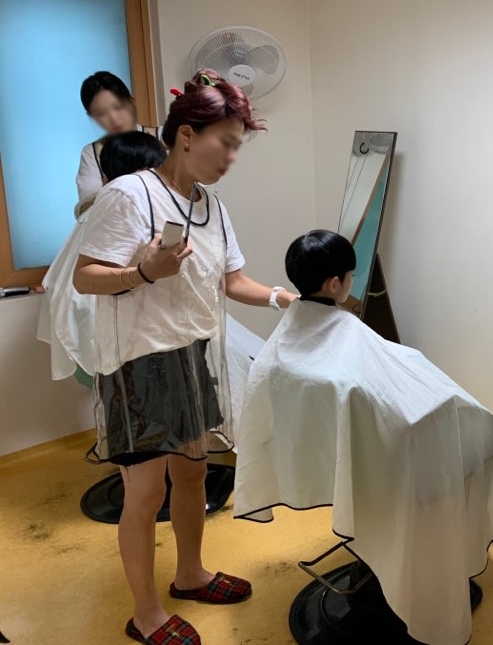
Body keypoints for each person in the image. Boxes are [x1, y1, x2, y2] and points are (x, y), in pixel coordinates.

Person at [74, 70, 296, 644]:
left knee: (193, 474)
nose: (232, 157)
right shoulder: (130, 194)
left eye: (238, 146)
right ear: (188, 135)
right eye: (226, 143)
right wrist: (143, 271)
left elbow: (233, 280)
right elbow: (86, 276)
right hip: (139, 363)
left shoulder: (211, 205)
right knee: (146, 494)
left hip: (194, 354)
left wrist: (284, 299)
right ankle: (144, 613)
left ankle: (191, 574)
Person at [234, 231, 493, 645]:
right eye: (350, 276)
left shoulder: (285, 342)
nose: (352, 282)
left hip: (329, 455)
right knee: (482, 430)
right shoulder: (346, 350)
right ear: (335, 284)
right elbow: (405, 405)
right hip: (391, 458)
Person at [37, 132, 166, 382]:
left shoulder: (106, 209)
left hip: (99, 332)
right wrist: (143, 274)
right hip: (111, 336)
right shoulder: (122, 206)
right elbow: (84, 286)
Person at [75, 71, 159, 217]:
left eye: (118, 107)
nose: (113, 118)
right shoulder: (92, 153)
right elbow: (86, 211)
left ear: (132, 102)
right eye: (101, 113)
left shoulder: (163, 137)